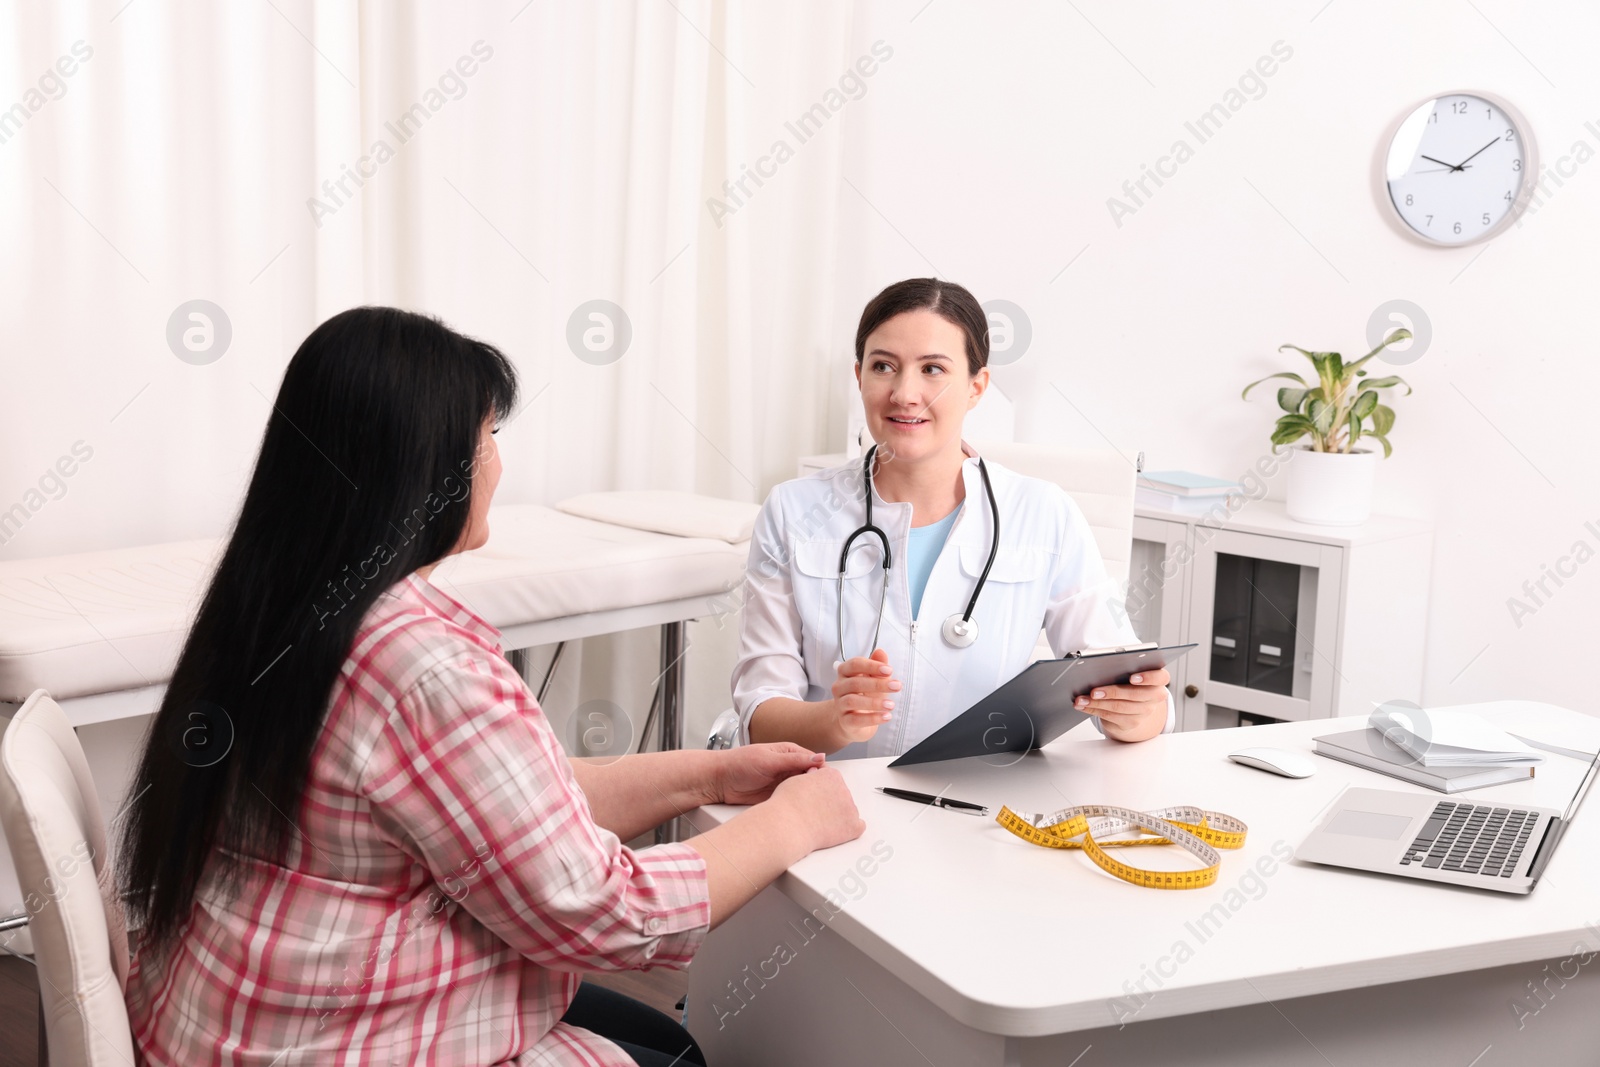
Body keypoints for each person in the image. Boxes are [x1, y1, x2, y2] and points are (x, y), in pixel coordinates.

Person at [117, 306, 863, 1067]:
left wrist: (708, 771)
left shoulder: (271, 601)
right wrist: (794, 821)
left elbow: (511, 810)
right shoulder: (426, 668)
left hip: (223, 1007)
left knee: (667, 1039)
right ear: (425, 471)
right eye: (488, 439)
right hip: (331, 1038)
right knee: (678, 1053)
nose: (498, 464)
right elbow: (608, 912)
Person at [731, 278, 1173, 758]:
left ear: (976, 386)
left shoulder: (1044, 514)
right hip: (829, 797)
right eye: (884, 367)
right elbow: (760, 715)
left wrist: (1141, 713)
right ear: (859, 376)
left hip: (978, 798)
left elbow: (1122, 676)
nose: (904, 393)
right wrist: (834, 721)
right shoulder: (794, 511)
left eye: (933, 369)